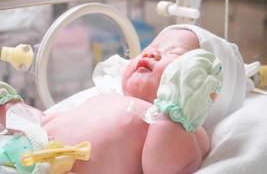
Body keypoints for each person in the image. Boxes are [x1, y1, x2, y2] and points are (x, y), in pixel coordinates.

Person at [0, 24, 246, 174]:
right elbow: (47, 122)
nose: (151, 52)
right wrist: (14, 107)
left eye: (175, 54)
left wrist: (174, 113)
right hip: (20, 155)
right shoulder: (104, 98)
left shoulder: (185, 131)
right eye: (152, 47)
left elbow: (164, 169)